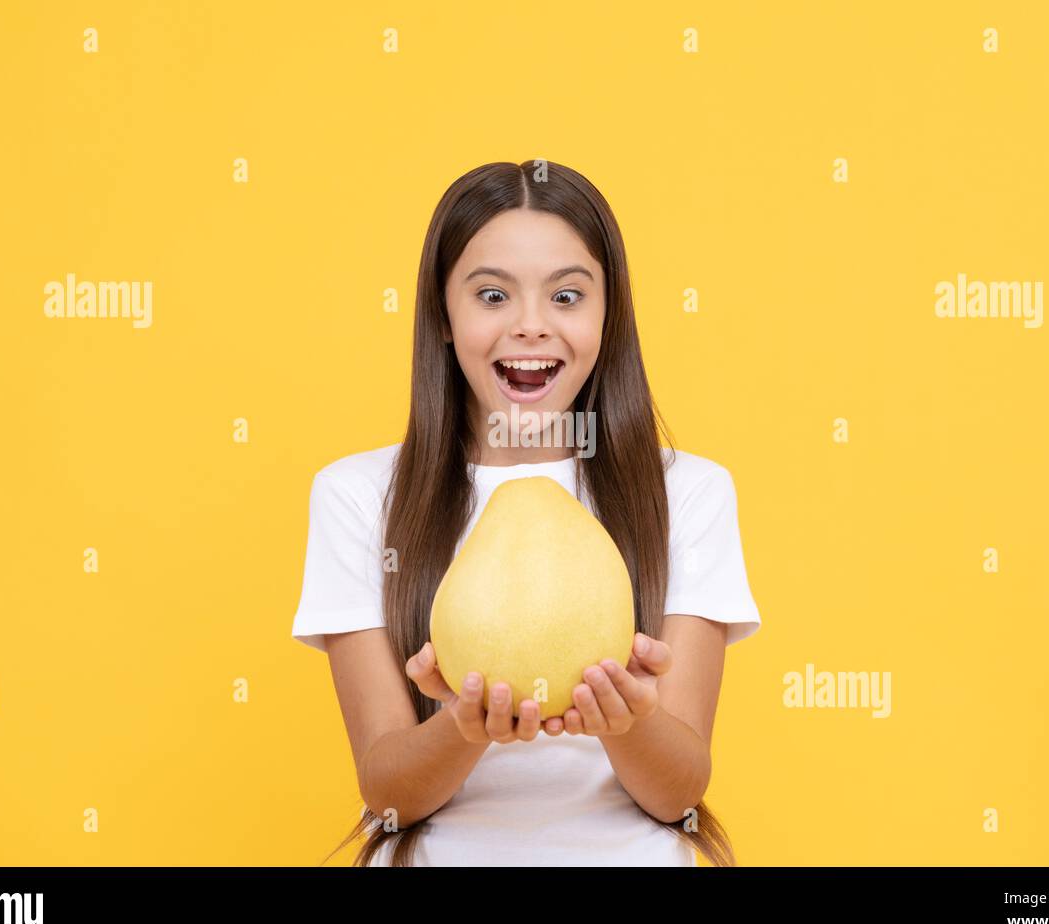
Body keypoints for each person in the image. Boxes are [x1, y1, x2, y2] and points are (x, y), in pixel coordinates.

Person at [291, 160, 761, 866]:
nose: (532, 327)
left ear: (609, 316)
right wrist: (463, 725)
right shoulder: (358, 495)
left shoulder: (685, 494)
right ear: (443, 319)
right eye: (492, 295)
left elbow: (681, 793)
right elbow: (386, 791)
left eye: (568, 296)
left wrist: (629, 721)